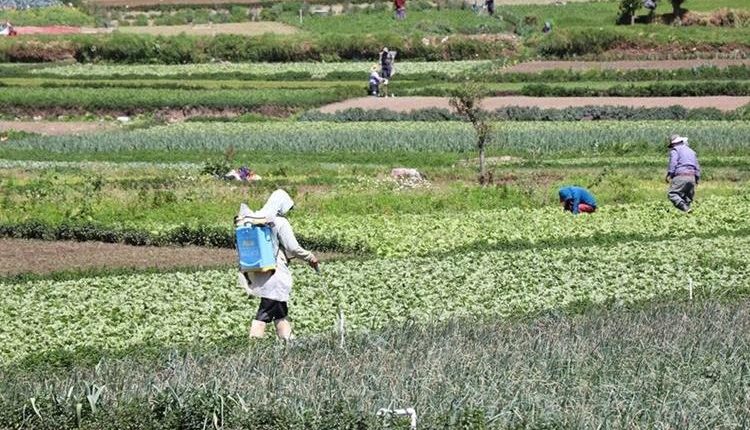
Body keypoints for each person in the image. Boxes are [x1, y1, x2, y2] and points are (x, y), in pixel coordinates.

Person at [236, 189, 319, 341]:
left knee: (280, 308)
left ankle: (288, 341)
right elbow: (293, 248)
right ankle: (254, 343)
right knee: (266, 309)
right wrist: (310, 257)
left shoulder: (255, 219)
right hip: (276, 272)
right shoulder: (279, 222)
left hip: (261, 270)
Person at [665, 134, 700, 213]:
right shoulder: (692, 151)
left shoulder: (675, 150)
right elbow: (697, 166)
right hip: (692, 177)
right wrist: (697, 178)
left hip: (681, 175)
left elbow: (673, 163)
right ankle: (688, 213)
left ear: (674, 144)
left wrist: (669, 174)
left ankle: (686, 209)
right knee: (687, 198)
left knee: (673, 194)